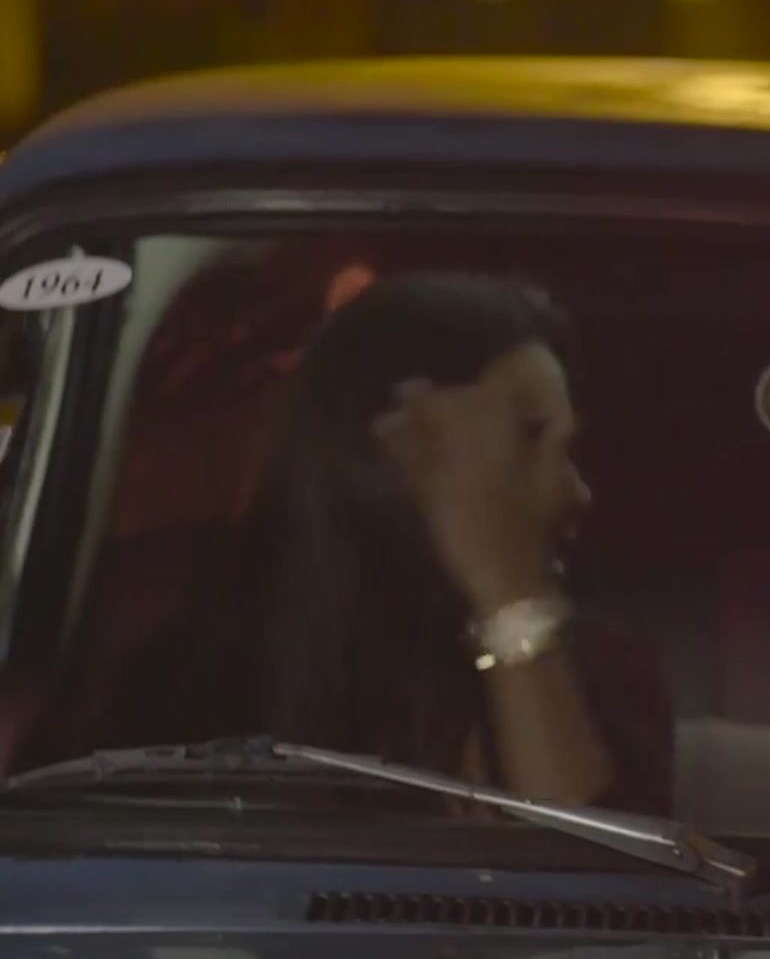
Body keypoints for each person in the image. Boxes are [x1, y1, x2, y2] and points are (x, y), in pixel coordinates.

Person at [21, 271, 674, 813]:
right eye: (528, 438)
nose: (577, 492)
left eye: (569, 448)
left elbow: (604, 902)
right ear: (391, 456)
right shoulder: (195, 679)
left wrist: (508, 597)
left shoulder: (599, 681)